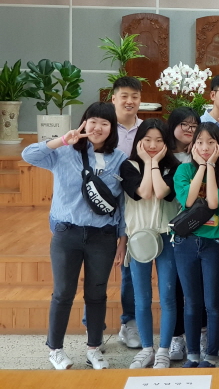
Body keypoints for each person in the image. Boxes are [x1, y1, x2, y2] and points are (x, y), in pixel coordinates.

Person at [22, 102, 127, 370]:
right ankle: (55, 349)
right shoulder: (64, 152)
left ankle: (94, 348)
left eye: (105, 123)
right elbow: (28, 155)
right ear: (84, 122)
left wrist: (122, 240)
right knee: (63, 293)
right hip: (67, 233)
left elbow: (122, 204)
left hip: (103, 236)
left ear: (112, 128)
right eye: (93, 121)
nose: (98, 127)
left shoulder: (119, 159)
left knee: (97, 293)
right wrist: (61, 140)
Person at [120, 119, 181, 369]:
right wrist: (148, 162)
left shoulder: (175, 167)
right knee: (142, 298)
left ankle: (164, 349)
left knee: (167, 296)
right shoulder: (128, 166)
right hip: (138, 238)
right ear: (139, 142)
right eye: (148, 140)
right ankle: (147, 348)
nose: (153, 145)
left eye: (159, 140)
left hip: (167, 236)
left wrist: (154, 163)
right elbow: (144, 193)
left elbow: (162, 192)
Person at [173, 122, 219, 368]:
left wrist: (212, 167)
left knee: (213, 303)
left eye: (211, 142)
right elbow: (188, 200)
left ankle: (211, 355)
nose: (205, 147)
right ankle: (193, 354)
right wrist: (203, 167)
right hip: (185, 243)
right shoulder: (184, 170)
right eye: (199, 142)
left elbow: (215, 204)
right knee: (191, 302)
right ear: (192, 145)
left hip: (214, 243)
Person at [164, 106, 201, 360]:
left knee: (200, 285)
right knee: (176, 285)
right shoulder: (164, 155)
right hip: (172, 227)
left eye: (193, 126)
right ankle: (177, 337)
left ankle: (202, 334)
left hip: (202, 228)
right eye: (184, 124)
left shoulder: (201, 154)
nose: (189, 129)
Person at [112, 76, 143, 350]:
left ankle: (129, 322)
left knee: (129, 268)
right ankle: (92, 330)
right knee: (98, 270)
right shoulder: (104, 128)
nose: (129, 101)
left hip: (137, 206)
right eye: (124, 96)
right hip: (105, 208)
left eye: (134, 96)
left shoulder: (147, 131)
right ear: (114, 99)